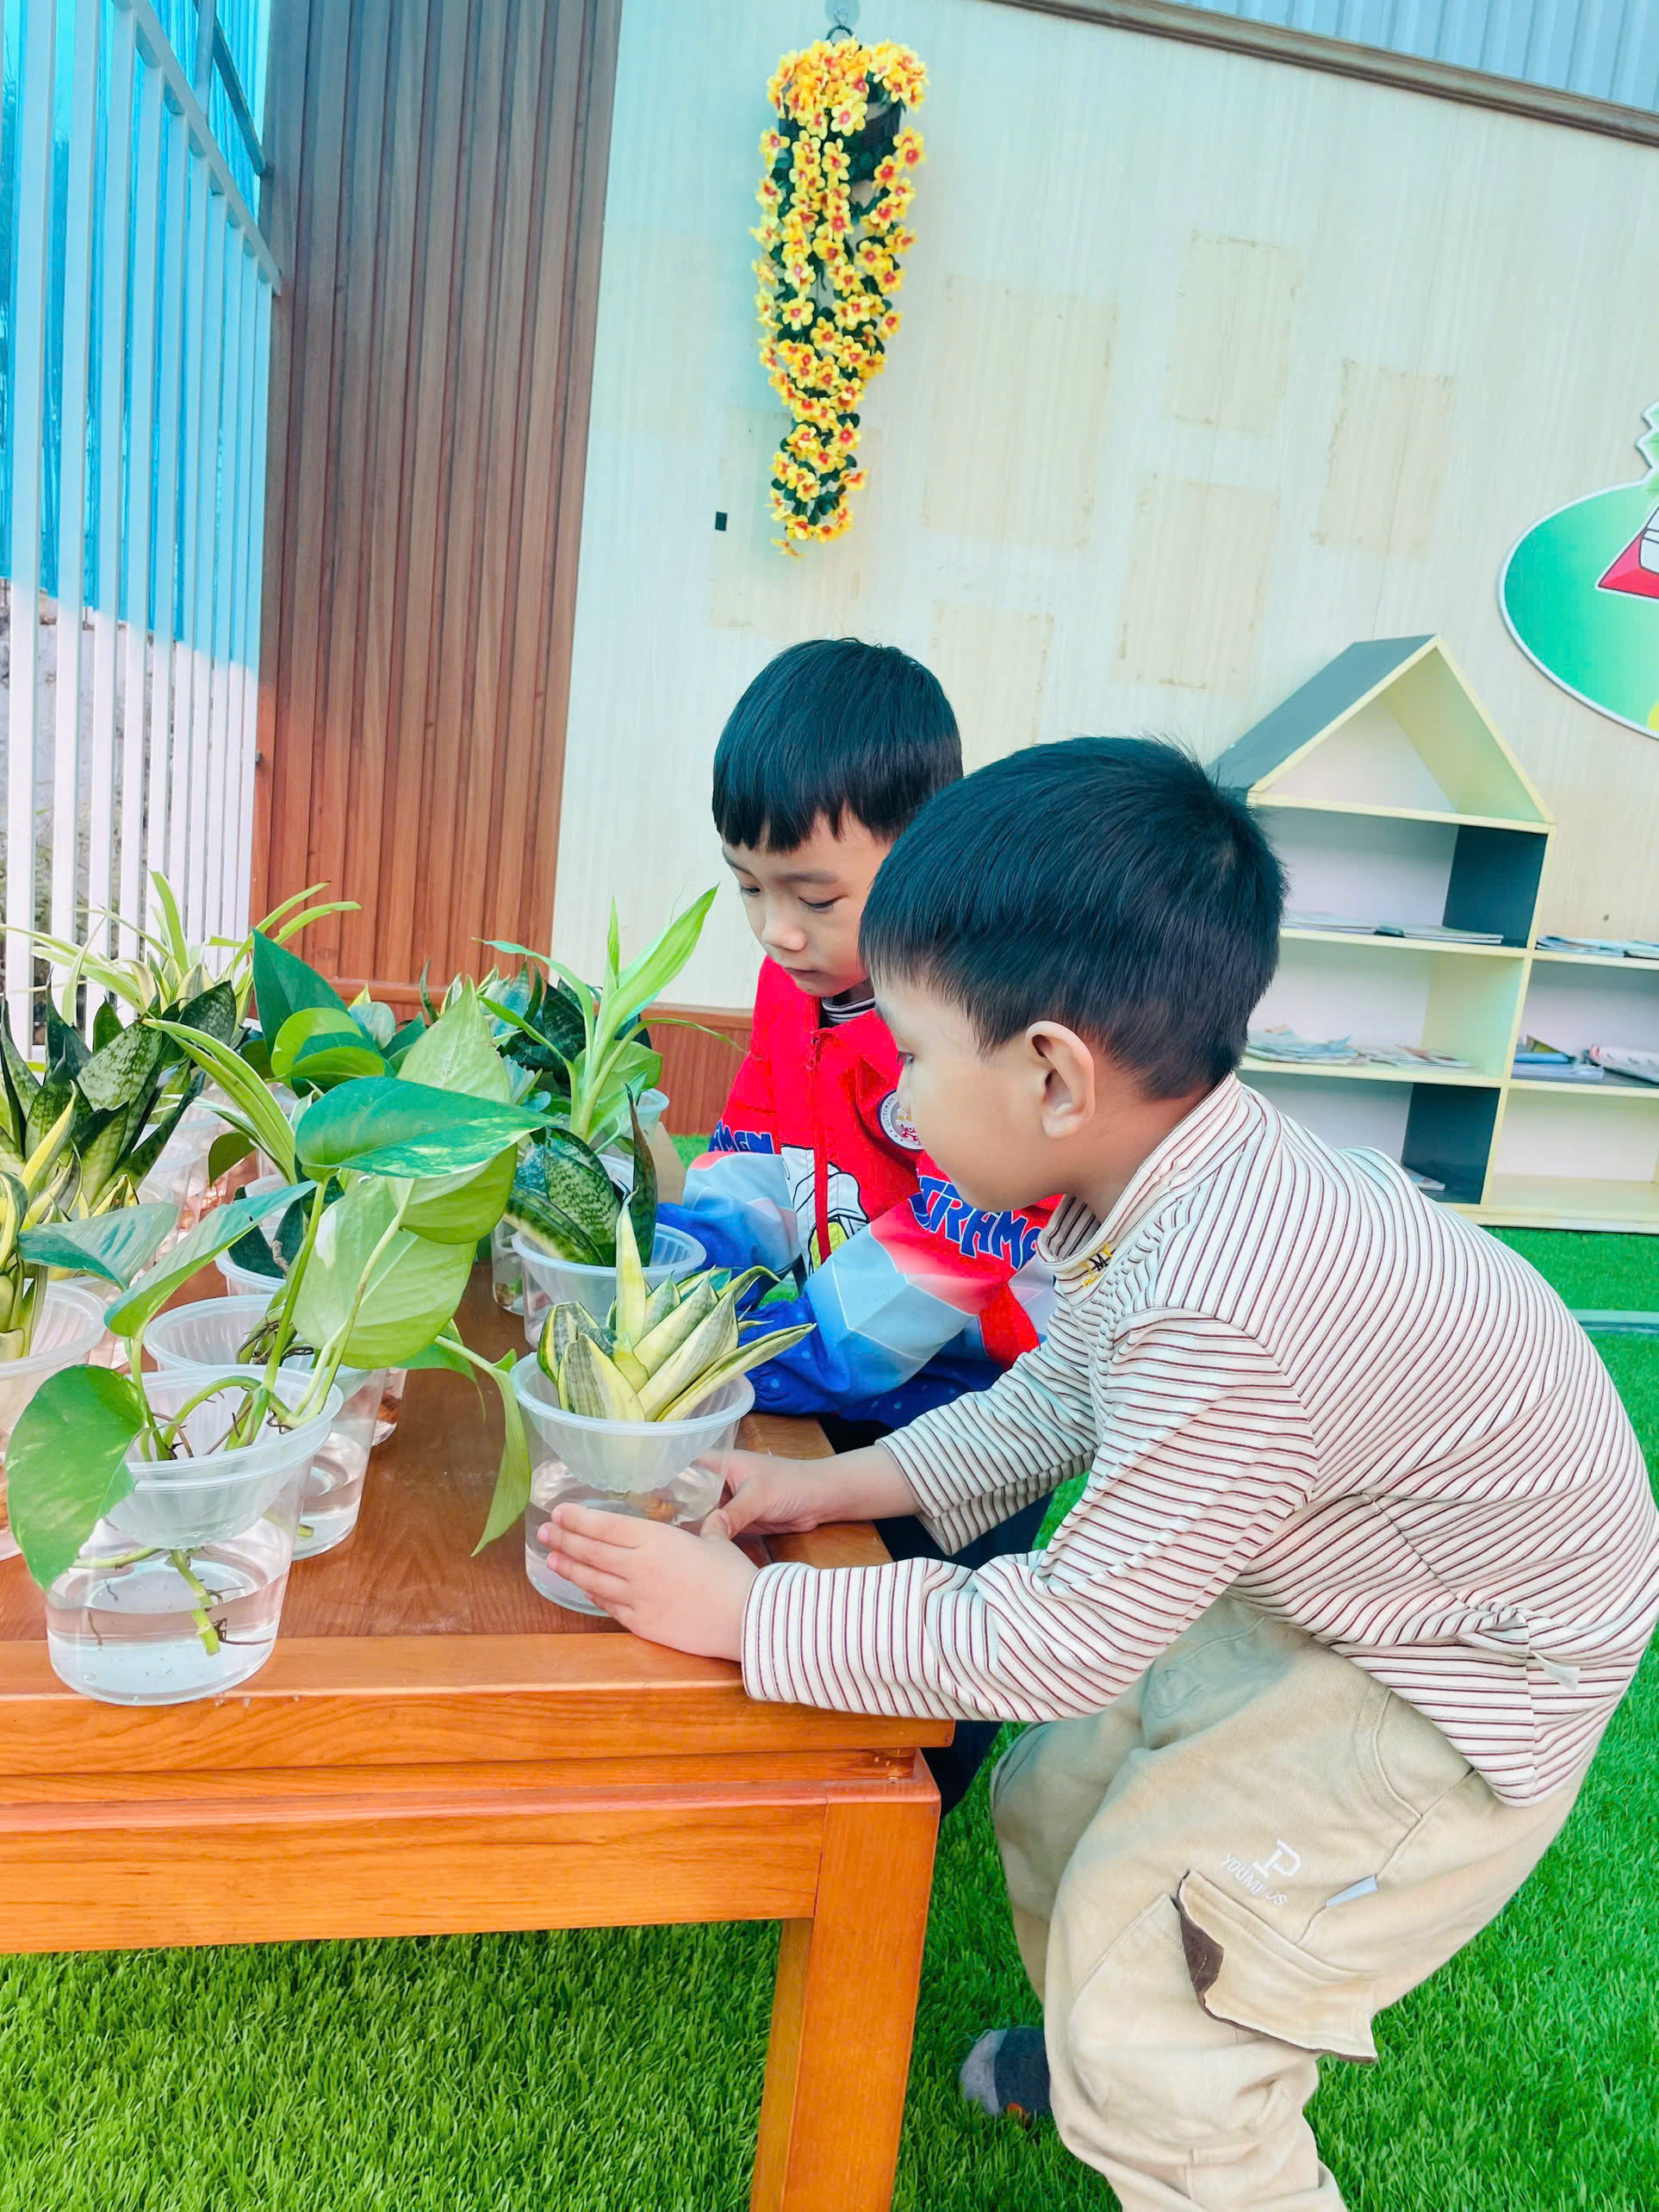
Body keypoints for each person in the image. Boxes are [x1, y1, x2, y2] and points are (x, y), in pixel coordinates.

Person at [541, 736, 1659, 2212]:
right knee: (1054, 1800)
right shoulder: (1163, 1183)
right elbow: (1057, 1399)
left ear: (1055, 1074)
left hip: (1449, 1673)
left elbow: (1062, 1634)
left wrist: (748, 1615)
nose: (898, 1108)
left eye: (917, 1058)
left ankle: (1150, 2081)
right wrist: (824, 1492)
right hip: (1334, 1569)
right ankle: (1101, 2047)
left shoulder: (1225, 1302)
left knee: (1173, 2008)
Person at [656, 636, 1057, 1812]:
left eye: (814, 897)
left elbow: (963, 1233)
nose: (775, 930)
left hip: (975, 1401)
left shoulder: (981, 1015)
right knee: (821, 1580)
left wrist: (767, 1344)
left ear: (926, 854)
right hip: (829, 1357)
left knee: (940, 1636)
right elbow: (752, 1139)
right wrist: (705, 1261)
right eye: (747, 887)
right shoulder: (800, 985)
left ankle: (919, 1809)